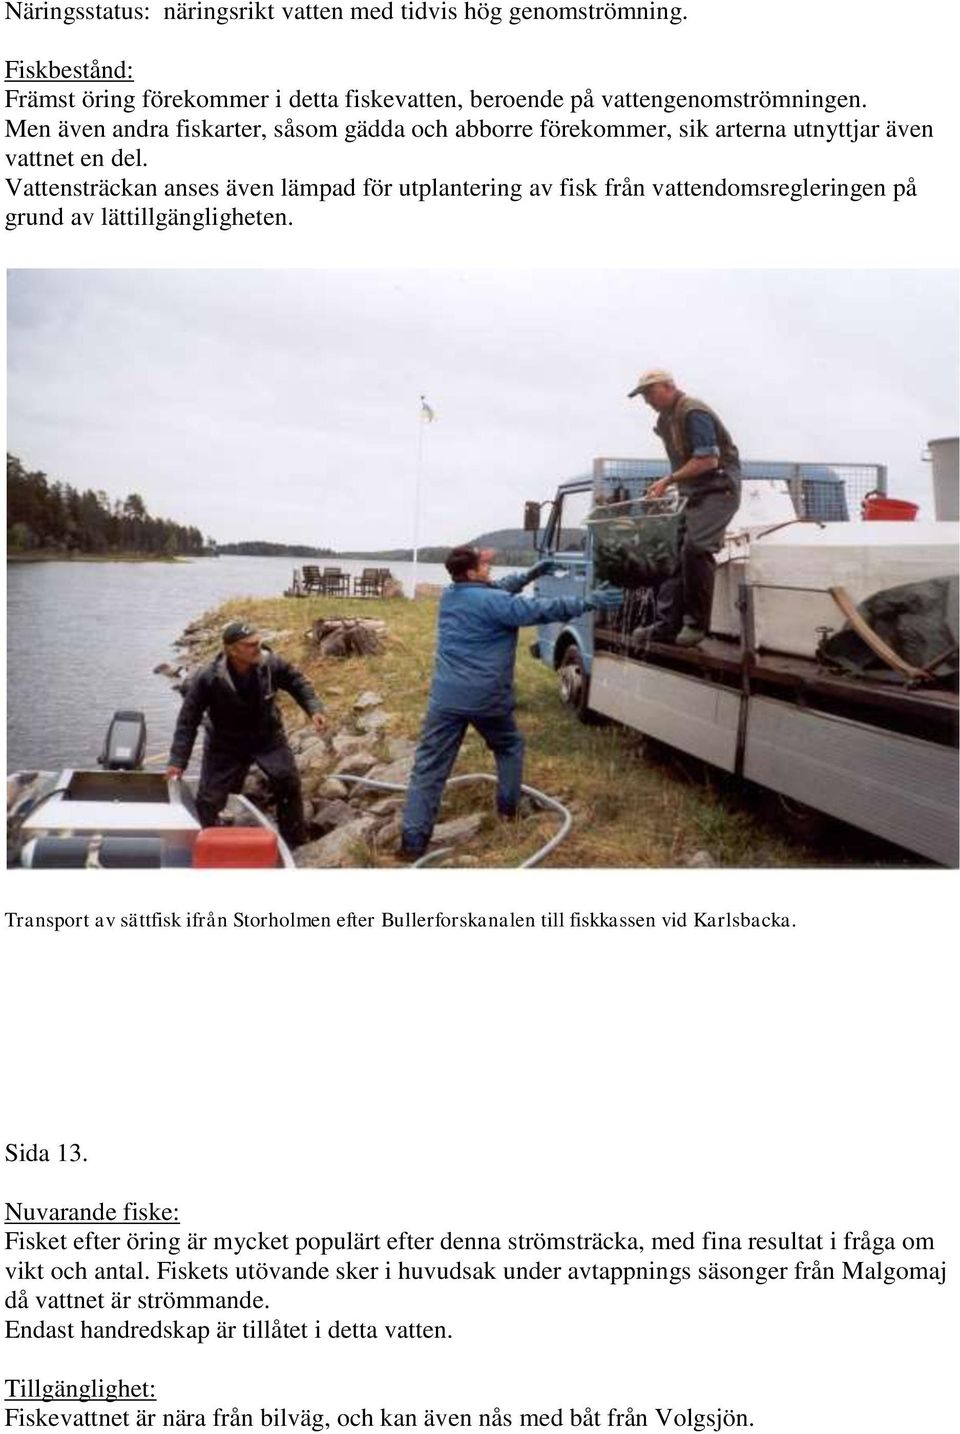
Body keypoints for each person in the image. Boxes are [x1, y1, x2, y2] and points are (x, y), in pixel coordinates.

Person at [399, 547, 621, 861]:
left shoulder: (451, 595)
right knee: (509, 746)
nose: (489, 565)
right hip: (487, 698)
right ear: (473, 572)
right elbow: (542, 609)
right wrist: (587, 601)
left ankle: (412, 843)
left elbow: (496, 590)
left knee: (428, 769)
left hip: (445, 699)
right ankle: (508, 811)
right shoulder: (497, 603)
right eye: (483, 563)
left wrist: (531, 574)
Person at [166, 619, 326, 848]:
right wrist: (177, 761)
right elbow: (187, 721)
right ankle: (209, 842)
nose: (257, 648)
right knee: (208, 800)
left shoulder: (272, 664)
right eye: (250, 645)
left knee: (288, 782)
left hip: (267, 738)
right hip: (225, 744)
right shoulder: (208, 677)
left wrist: (314, 709)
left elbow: (297, 682)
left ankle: (294, 842)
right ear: (231, 649)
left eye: (259, 643)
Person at [628, 369, 742, 647]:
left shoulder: (693, 412)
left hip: (719, 490)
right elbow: (683, 461)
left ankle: (696, 624)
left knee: (696, 548)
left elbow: (707, 461)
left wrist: (668, 479)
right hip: (691, 492)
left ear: (669, 387)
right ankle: (667, 625)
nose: (647, 401)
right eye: (643, 396)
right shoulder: (665, 419)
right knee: (671, 553)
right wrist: (668, 486)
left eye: (650, 393)